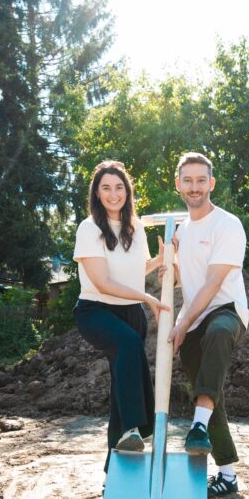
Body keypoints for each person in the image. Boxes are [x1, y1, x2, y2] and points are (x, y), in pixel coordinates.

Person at [73, 160, 170, 470]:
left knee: (122, 382)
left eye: (119, 187)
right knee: (128, 345)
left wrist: (158, 261)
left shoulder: (135, 227)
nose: (113, 194)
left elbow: (134, 272)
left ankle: (115, 467)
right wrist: (145, 297)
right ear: (97, 194)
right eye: (106, 188)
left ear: (127, 191)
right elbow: (102, 281)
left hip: (130, 313)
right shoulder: (89, 228)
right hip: (96, 310)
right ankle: (135, 430)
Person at [167, 152, 249, 498]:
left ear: (211, 183)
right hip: (193, 316)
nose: (195, 187)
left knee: (217, 334)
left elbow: (214, 282)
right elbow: (177, 279)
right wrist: (165, 267)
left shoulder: (227, 225)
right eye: (188, 180)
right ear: (178, 185)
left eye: (201, 180)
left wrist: (181, 323)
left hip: (226, 310)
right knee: (208, 392)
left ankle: (197, 427)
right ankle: (227, 475)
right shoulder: (181, 231)